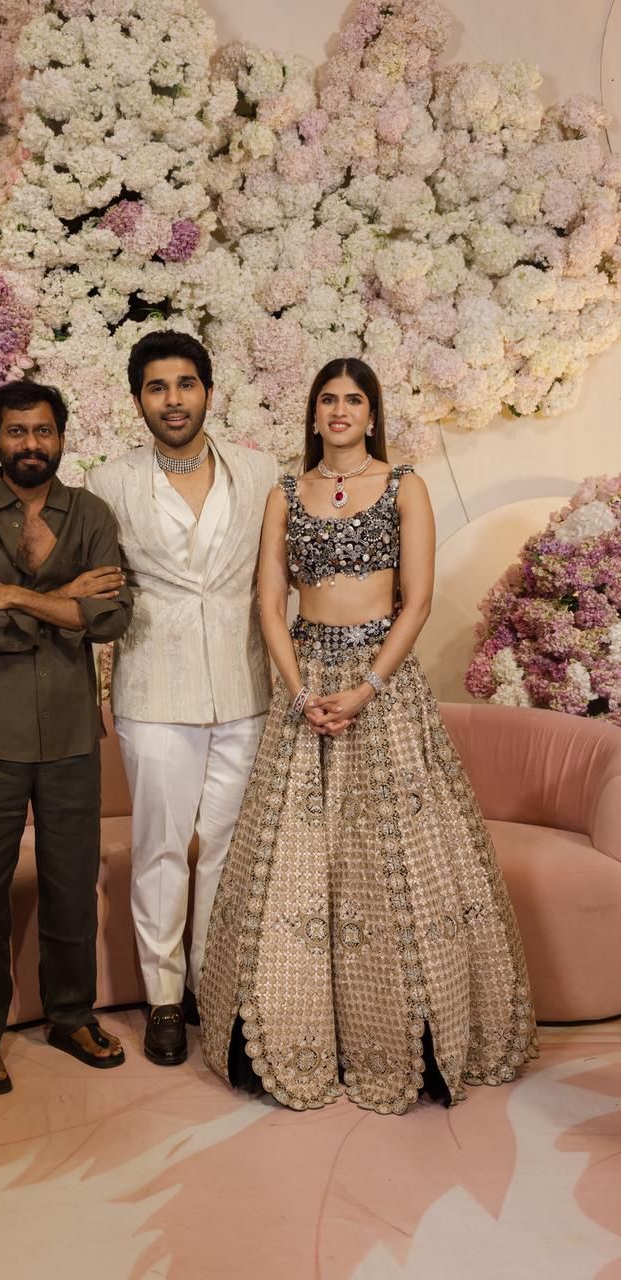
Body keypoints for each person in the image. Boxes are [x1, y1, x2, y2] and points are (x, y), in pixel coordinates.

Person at [198, 357, 539, 1115]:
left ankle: (409, 1035)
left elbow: (416, 602)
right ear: (314, 413)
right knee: (296, 863)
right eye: (328, 399)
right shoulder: (285, 494)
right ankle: (295, 1031)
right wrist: (299, 692)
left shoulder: (405, 486)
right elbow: (269, 602)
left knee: (396, 859)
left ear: (372, 413)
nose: (341, 411)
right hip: (308, 684)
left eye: (354, 399)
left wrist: (367, 687)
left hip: (382, 689)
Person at [0, 379, 133, 1095]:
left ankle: (71, 1016)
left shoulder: (92, 515)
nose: (30, 444)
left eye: (43, 431)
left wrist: (17, 596)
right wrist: (64, 602)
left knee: (71, 884)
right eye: (16, 432)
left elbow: (110, 618)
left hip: (72, 732)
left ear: (61, 437)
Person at [85, 330, 278, 1066]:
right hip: (154, 688)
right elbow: (98, 583)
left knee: (228, 848)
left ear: (208, 391)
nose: (174, 400)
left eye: (186, 384)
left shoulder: (260, 472)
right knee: (161, 847)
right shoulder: (111, 482)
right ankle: (164, 997)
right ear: (138, 399)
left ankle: (212, 986)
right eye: (158, 387)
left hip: (244, 686)